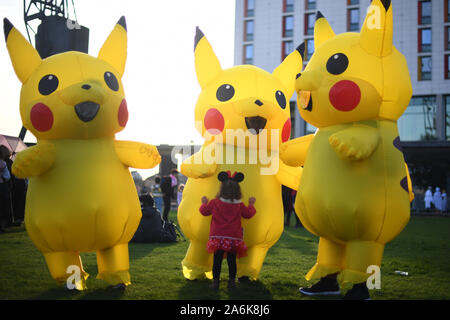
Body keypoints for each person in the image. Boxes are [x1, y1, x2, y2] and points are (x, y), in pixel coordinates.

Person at [199, 174, 256, 290]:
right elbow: (248, 214)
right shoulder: (239, 205)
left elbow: (204, 211)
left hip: (218, 236)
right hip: (234, 237)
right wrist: (251, 204)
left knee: (217, 259)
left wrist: (204, 202)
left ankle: (215, 282)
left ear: (221, 189)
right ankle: (231, 282)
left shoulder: (215, 202)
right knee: (232, 261)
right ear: (237, 190)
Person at [0, 146, 12, 232]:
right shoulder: (3, 163)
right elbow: (7, 177)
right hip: (2, 186)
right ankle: (2, 227)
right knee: (3, 206)